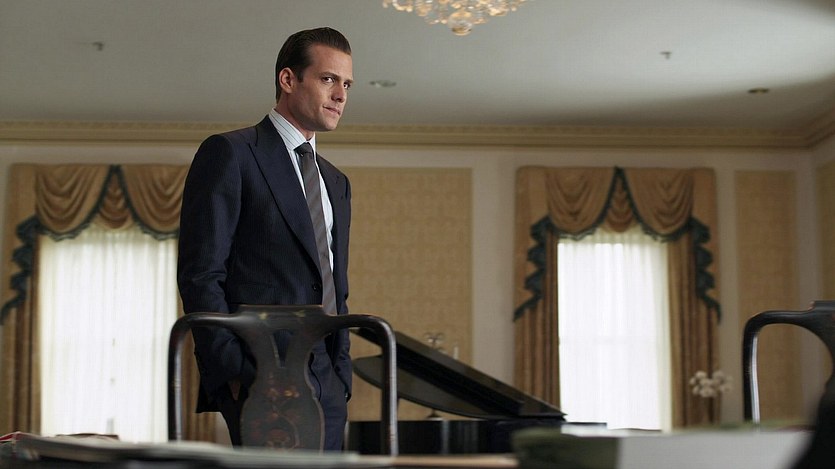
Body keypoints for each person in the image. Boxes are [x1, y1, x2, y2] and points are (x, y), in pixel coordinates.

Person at [177, 27, 354, 451]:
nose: (340, 95)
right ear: (288, 79)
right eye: (328, 79)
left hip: (327, 379)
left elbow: (334, 284)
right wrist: (234, 371)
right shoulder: (231, 153)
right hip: (258, 373)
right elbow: (201, 273)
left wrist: (341, 372)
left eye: (347, 84)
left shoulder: (336, 182)